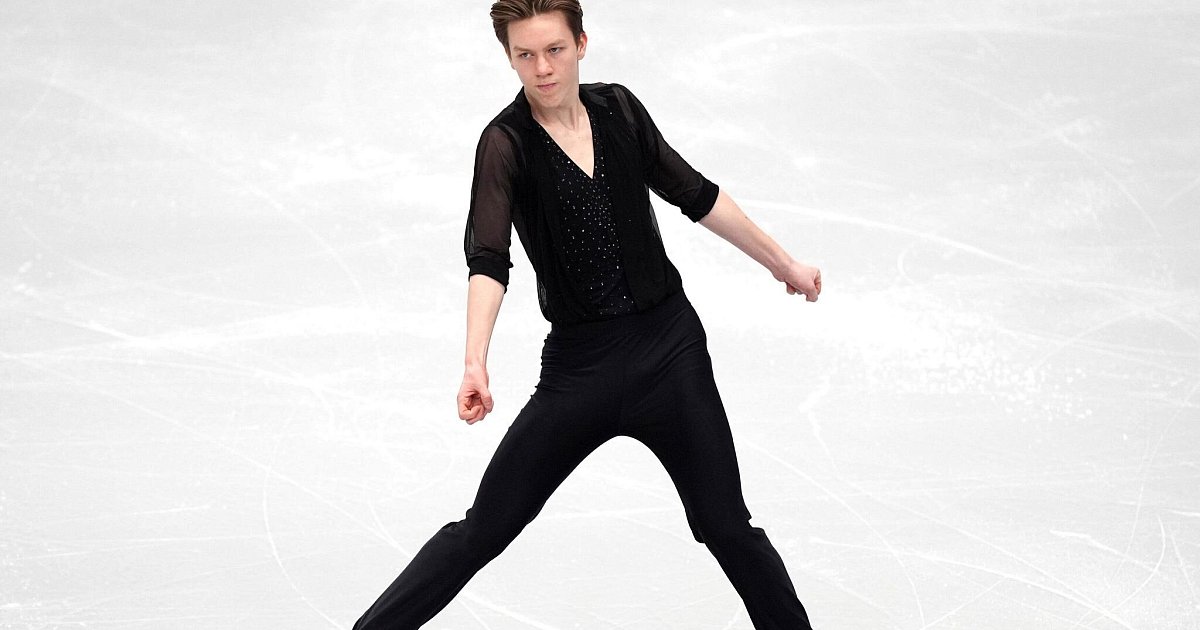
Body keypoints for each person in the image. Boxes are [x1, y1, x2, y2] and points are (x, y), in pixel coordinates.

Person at [352, 1, 821, 628]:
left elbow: (695, 194)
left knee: (726, 526)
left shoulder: (619, 109)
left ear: (581, 43)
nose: (542, 68)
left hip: (670, 352)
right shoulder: (506, 143)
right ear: (509, 58)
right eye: (525, 55)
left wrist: (782, 264)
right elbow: (488, 260)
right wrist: (474, 362)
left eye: (554, 50)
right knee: (484, 529)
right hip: (581, 372)